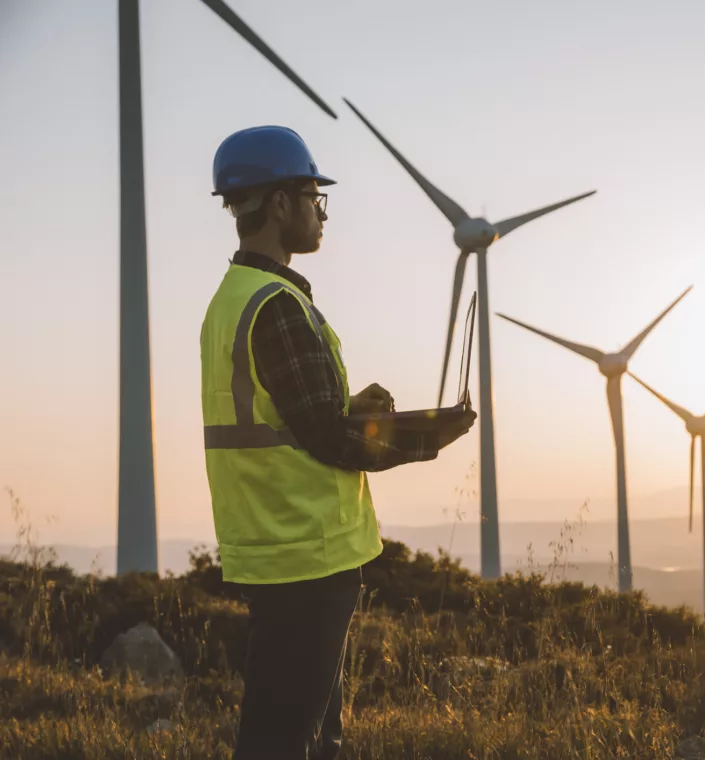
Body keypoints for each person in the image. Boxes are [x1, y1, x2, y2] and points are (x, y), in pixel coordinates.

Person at [200, 125, 476, 760]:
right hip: (307, 555)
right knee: (281, 742)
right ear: (278, 205)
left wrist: (349, 409)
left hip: (274, 549)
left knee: (309, 736)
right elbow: (327, 439)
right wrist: (425, 437)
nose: (320, 212)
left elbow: (282, 417)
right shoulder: (276, 305)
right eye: (313, 196)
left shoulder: (233, 300)